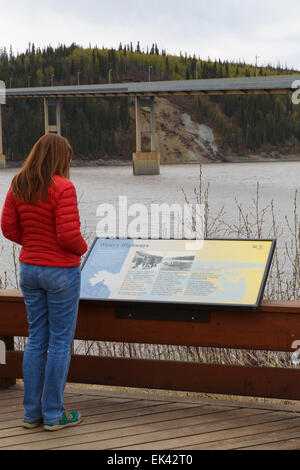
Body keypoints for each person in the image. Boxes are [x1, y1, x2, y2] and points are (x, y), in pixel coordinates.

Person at [0, 133, 88, 431]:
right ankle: (53, 415)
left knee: (37, 339)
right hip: (61, 271)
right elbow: (68, 236)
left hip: (29, 270)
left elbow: (8, 228)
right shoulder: (63, 187)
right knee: (60, 342)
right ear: (60, 159)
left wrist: (34, 242)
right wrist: (83, 248)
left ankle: (30, 414)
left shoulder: (18, 183)